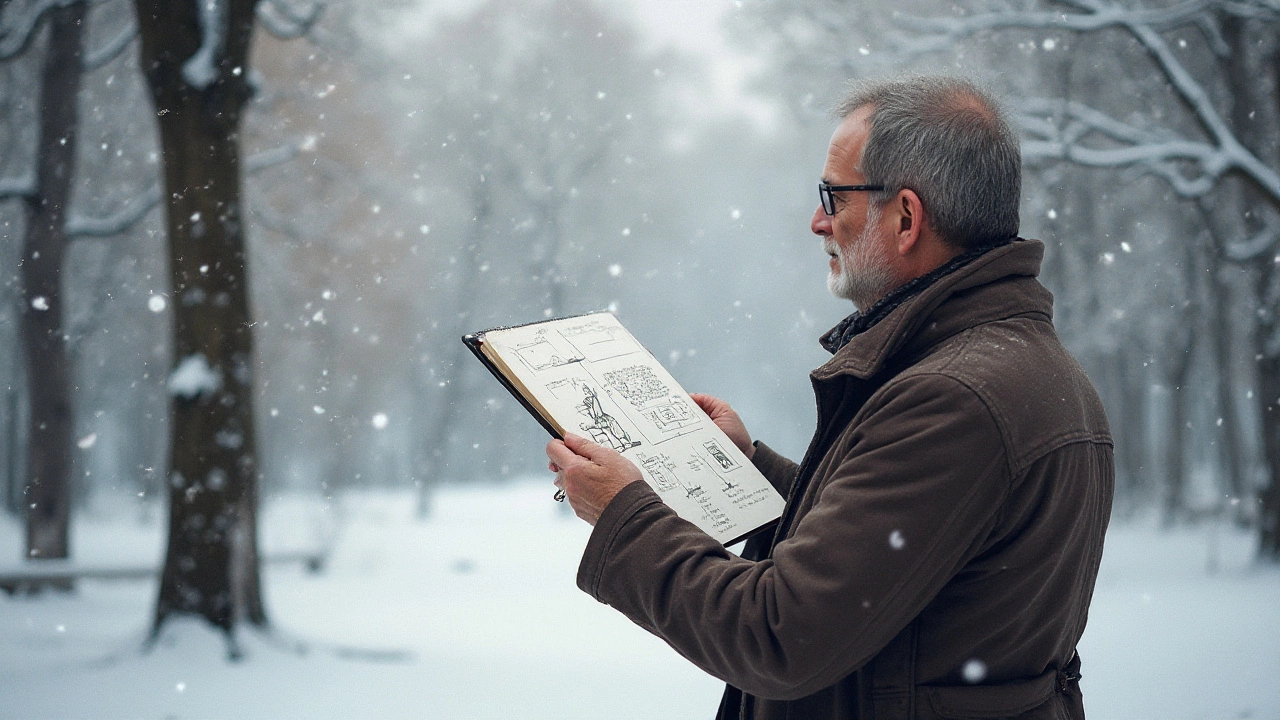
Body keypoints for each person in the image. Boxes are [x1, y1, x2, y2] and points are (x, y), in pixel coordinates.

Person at [546, 76, 1114, 720]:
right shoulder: (1012, 365)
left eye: (833, 197)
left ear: (906, 217)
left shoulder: (955, 398)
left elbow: (780, 634)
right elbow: (898, 560)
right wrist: (744, 467)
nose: (818, 222)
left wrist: (626, 517)